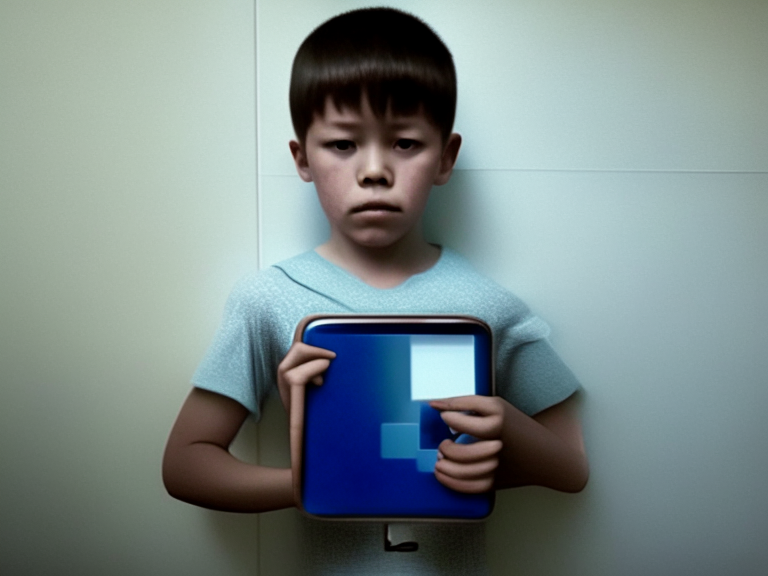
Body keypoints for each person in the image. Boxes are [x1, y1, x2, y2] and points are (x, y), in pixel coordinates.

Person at [163, 7, 589, 575]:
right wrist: (314, 484)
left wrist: (503, 439)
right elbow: (185, 464)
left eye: (405, 143)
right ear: (302, 159)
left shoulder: (489, 307)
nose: (374, 170)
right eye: (342, 144)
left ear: (446, 157)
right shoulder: (266, 299)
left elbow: (572, 465)